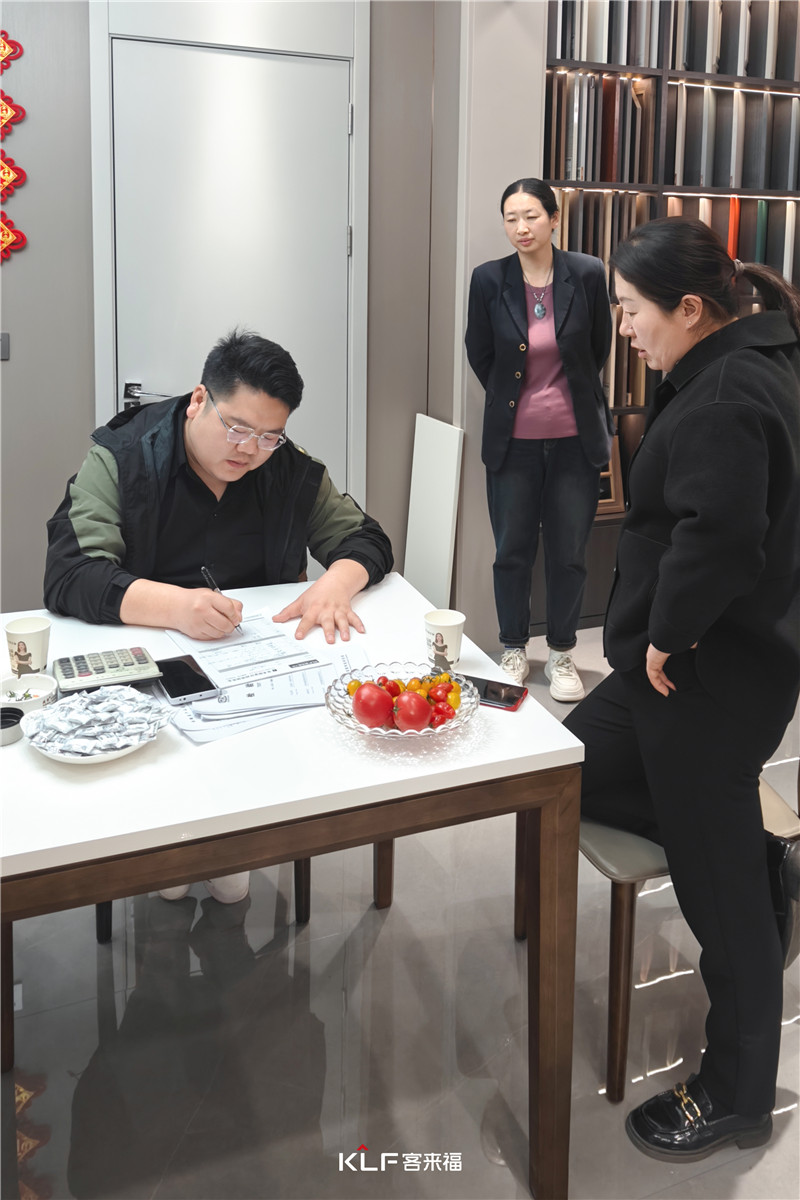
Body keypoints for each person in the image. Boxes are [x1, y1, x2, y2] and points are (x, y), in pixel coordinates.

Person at [563, 218, 800, 1162]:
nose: (623, 329)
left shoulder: (730, 391)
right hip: (671, 667)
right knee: (567, 766)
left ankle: (736, 1095)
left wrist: (669, 630)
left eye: (632, 311)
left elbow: (724, 537)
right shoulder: (741, 361)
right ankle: (751, 853)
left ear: (691, 307)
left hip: (703, 676)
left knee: (719, 899)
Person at [45, 329, 393, 903]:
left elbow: (366, 538)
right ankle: (171, 852)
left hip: (256, 674)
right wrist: (176, 607)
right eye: (237, 428)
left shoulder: (288, 469)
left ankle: (232, 845)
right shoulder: (124, 457)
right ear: (199, 400)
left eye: (269, 436)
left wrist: (335, 583)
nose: (249, 449)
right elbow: (70, 573)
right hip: (152, 670)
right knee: (167, 843)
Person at [465, 178, 613, 700]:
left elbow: (597, 348)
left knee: (568, 553)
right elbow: (480, 351)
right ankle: (513, 647)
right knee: (512, 551)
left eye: (531, 216)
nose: (521, 227)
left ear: (554, 218)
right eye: (511, 218)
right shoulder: (489, 279)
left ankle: (563, 653)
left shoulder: (587, 272)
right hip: (513, 444)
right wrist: (516, 397)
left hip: (575, 440)